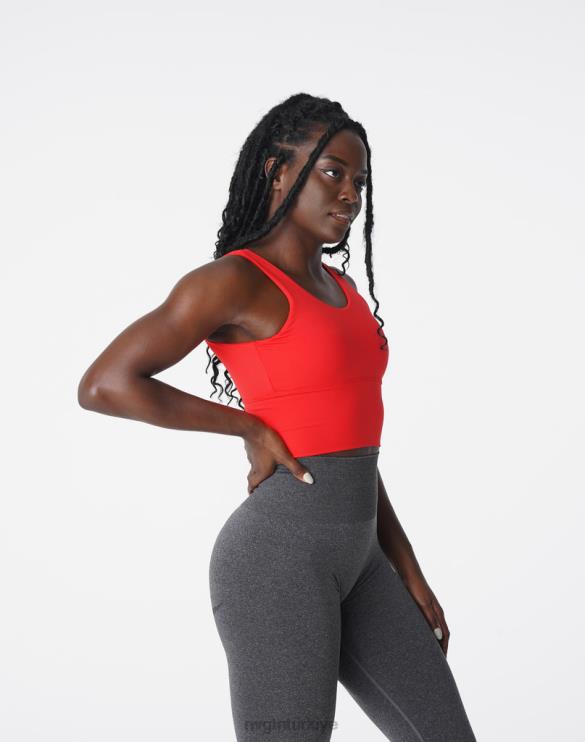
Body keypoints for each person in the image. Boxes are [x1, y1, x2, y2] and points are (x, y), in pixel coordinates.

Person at [78, 93, 477, 741]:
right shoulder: (234, 282)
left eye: (359, 181)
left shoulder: (344, 291)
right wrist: (249, 426)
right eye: (333, 172)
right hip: (277, 562)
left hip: (363, 559)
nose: (349, 194)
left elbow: (352, 447)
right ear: (276, 170)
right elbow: (105, 384)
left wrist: (405, 564)